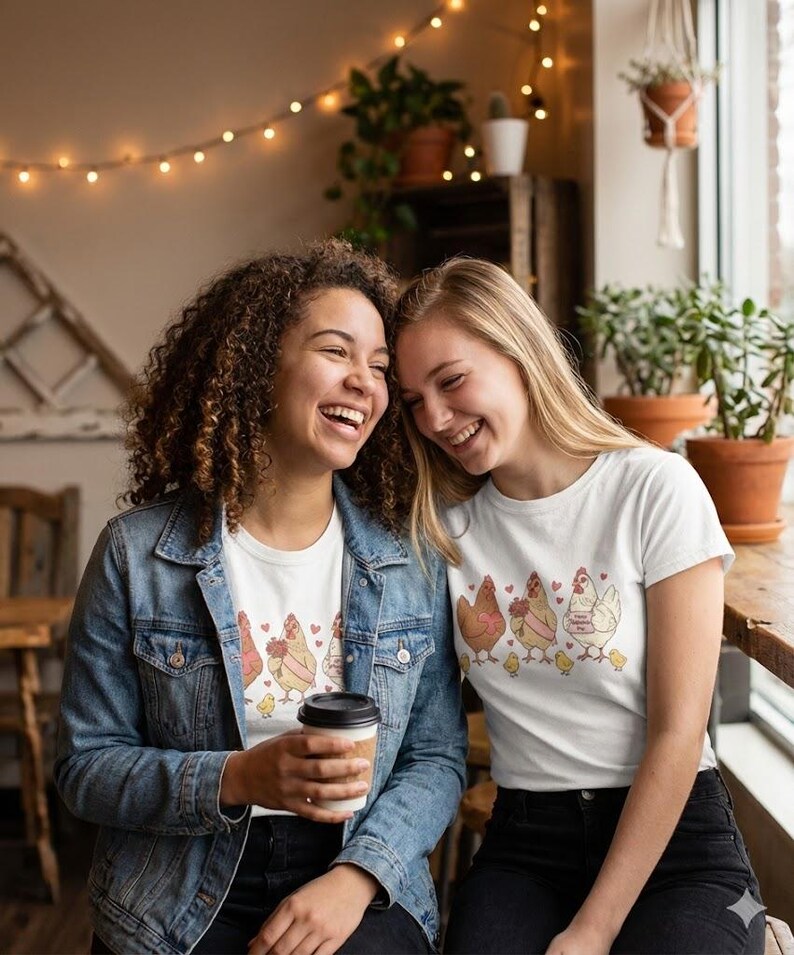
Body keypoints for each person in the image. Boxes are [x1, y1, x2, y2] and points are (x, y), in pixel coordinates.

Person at [55, 239, 467, 955]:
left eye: (377, 368)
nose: (363, 384)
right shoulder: (137, 553)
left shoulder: (409, 559)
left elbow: (435, 759)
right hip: (173, 886)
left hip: (356, 864)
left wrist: (358, 877)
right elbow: (84, 767)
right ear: (256, 364)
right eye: (337, 352)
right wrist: (240, 774)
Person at [394, 257, 765, 955]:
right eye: (415, 400)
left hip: (674, 833)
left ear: (520, 352)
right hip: (527, 840)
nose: (436, 418)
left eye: (452, 381)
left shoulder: (655, 490)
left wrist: (591, 931)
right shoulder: (444, 525)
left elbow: (679, 733)